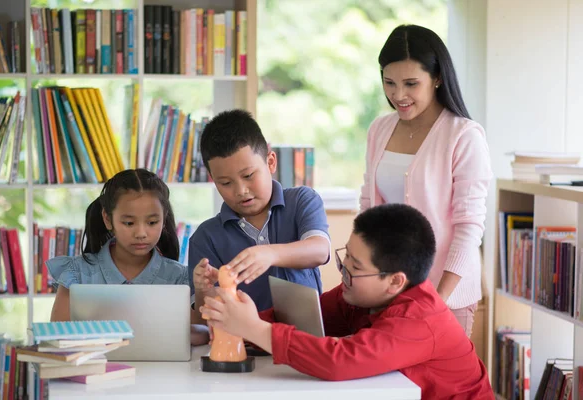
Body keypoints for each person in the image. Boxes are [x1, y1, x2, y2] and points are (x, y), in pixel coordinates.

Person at [200, 204, 494, 400]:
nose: (344, 272)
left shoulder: (420, 319)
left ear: (395, 281)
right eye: (346, 258)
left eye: (355, 267)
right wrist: (235, 316)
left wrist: (252, 328)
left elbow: (338, 360)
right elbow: (304, 318)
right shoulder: (360, 292)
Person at [360, 24, 493, 336]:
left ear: (437, 78)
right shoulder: (379, 130)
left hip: (447, 295)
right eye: (389, 83)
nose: (398, 95)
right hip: (390, 290)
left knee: (437, 384)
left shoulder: (463, 136)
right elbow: (369, 207)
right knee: (392, 383)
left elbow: (469, 226)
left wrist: (439, 301)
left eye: (411, 84)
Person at [189, 109, 330, 313]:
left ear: (270, 162)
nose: (241, 191)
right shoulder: (206, 237)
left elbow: (320, 250)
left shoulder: (301, 201)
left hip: (305, 339)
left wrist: (270, 254)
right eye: (226, 183)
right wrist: (203, 290)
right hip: (244, 342)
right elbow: (202, 321)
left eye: (248, 176)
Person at [47, 169, 207, 344]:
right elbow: (57, 338)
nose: (141, 233)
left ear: (164, 218)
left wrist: (201, 291)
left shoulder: (178, 278)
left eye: (152, 222)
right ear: (108, 219)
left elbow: (203, 332)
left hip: (162, 371)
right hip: (95, 370)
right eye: (129, 223)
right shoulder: (78, 273)